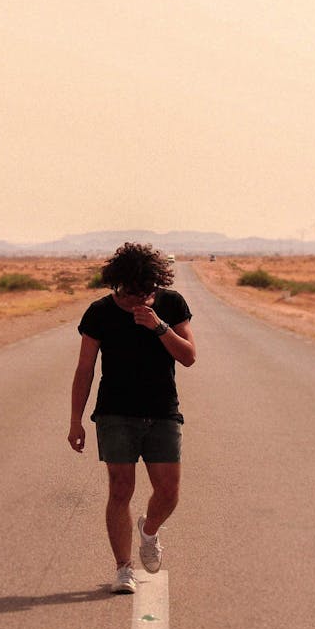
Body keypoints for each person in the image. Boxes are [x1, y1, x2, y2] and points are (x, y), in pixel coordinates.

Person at [68, 242, 196, 593]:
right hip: (115, 412)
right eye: (128, 293)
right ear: (118, 284)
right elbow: (84, 370)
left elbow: (188, 357)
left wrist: (159, 327)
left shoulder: (171, 305)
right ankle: (124, 568)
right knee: (120, 489)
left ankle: (149, 531)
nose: (137, 299)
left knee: (168, 492)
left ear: (155, 284)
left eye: (145, 291)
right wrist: (75, 420)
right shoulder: (100, 312)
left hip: (162, 412)